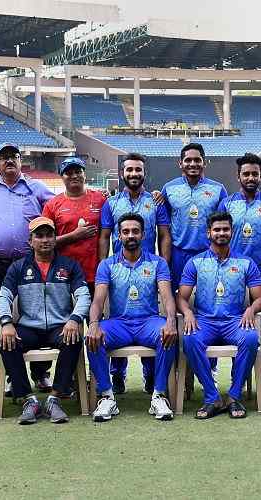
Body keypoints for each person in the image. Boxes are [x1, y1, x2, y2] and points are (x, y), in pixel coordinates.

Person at [0, 142, 55, 391]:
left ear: (20, 161)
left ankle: (40, 373)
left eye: (13, 156)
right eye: (3, 157)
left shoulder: (36, 188)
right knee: (1, 315)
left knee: (36, 314)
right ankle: (10, 373)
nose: (9, 161)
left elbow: (59, 208)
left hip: (30, 262)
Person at [0, 217, 91, 425]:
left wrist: (74, 319)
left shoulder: (69, 266)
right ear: (30, 241)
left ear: (56, 238)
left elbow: (84, 296)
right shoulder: (18, 267)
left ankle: (55, 398)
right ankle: (28, 400)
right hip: (28, 326)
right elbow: (3, 297)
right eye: (39, 236)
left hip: (60, 326)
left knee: (73, 339)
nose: (45, 240)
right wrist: (6, 323)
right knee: (6, 343)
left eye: (49, 235)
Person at [86, 213, 178, 422]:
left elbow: (167, 296)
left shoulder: (158, 263)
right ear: (118, 236)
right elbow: (98, 300)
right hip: (119, 323)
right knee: (92, 338)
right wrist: (93, 324)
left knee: (168, 333)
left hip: (148, 321)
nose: (130, 235)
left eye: (135, 231)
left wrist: (171, 321)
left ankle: (159, 395)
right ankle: (107, 397)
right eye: (125, 232)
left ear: (144, 235)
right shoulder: (107, 265)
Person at [178, 211, 261, 419]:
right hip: (204, 321)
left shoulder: (246, 263)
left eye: (225, 229)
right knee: (190, 339)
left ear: (232, 232)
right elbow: (181, 297)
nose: (221, 233)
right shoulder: (195, 262)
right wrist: (188, 312)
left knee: (251, 338)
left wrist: (251, 309)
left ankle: (234, 396)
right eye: (217, 229)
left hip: (235, 321)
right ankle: (212, 397)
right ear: (208, 232)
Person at [99, 152, 171, 394]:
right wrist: (104, 269)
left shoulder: (155, 202)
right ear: (122, 173)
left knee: (148, 317)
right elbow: (104, 236)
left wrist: (164, 266)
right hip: (118, 269)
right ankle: (116, 376)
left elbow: (164, 235)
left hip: (148, 269)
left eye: (138, 170)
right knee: (118, 316)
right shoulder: (111, 203)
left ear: (144, 173)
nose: (133, 174)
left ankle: (151, 378)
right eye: (129, 170)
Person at [218, 153, 261, 395]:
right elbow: (219, 238)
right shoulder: (227, 204)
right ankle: (239, 376)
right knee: (238, 325)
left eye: (255, 173)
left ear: (260, 175)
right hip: (234, 277)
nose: (251, 177)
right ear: (238, 176)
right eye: (246, 174)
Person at [159, 143, 227, 289]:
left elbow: (224, 226)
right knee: (178, 299)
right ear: (180, 163)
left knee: (207, 298)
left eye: (197, 160)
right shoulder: (169, 188)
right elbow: (163, 227)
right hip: (178, 255)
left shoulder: (218, 189)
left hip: (208, 254)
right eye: (188, 160)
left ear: (204, 162)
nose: (193, 164)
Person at [42, 157, 106, 290]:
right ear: (62, 177)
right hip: (62, 274)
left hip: (93, 274)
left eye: (78, 171)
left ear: (85, 174)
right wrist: (74, 236)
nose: (74, 176)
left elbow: (107, 235)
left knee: (94, 310)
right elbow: (44, 242)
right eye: (69, 173)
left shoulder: (101, 200)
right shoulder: (52, 205)